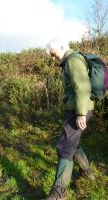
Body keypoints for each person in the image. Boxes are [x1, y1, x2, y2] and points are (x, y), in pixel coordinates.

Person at [43, 38, 95, 200]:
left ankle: (58, 194)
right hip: (79, 108)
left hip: (79, 109)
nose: (52, 57)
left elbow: (83, 87)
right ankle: (87, 172)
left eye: (53, 53)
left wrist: (80, 113)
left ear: (61, 48)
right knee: (72, 143)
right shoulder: (71, 60)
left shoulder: (73, 60)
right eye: (50, 55)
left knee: (65, 147)